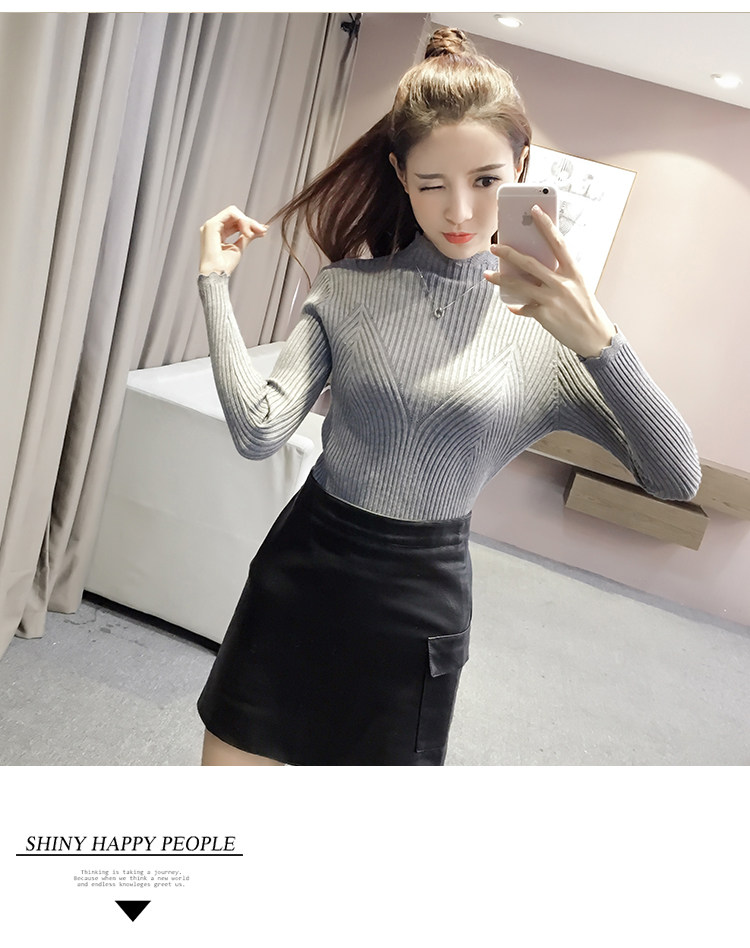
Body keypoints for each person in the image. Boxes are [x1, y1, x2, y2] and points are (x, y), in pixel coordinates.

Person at [195, 28, 701, 767]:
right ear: (401, 176)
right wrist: (214, 283)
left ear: (522, 168)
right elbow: (258, 430)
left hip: (418, 602)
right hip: (302, 571)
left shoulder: (547, 336)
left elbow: (675, 476)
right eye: (432, 184)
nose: (459, 211)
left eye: (486, 181)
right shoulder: (347, 291)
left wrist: (601, 341)